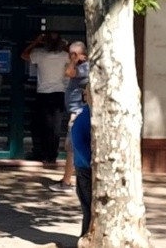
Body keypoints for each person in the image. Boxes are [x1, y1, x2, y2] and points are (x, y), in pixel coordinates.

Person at [21, 30, 68, 166]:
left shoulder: (39, 54)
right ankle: (52, 155)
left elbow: (24, 55)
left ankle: (45, 154)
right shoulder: (64, 55)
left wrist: (35, 42)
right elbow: (75, 56)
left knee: (45, 126)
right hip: (58, 93)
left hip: (43, 94)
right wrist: (64, 44)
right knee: (56, 126)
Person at [50, 41, 89, 193]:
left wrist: (73, 61)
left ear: (83, 55)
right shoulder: (81, 66)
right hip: (76, 112)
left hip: (78, 113)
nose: (71, 56)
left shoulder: (85, 67)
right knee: (72, 147)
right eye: (70, 53)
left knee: (72, 148)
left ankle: (66, 182)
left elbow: (68, 73)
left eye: (75, 54)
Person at [71, 98, 92, 239]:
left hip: (87, 166)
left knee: (90, 207)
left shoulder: (86, 115)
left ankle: (86, 234)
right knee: (88, 207)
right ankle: (85, 235)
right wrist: (90, 161)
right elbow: (77, 141)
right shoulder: (84, 116)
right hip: (85, 168)